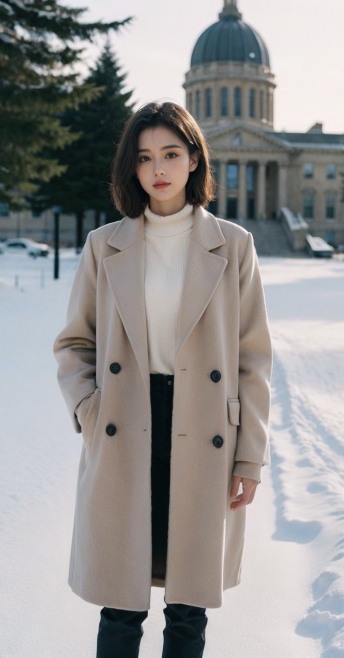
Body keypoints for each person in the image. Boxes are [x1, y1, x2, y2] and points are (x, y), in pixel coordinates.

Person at [53, 101, 272, 658]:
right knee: (121, 605)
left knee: (187, 606)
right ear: (132, 166)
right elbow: (74, 343)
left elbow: (252, 360)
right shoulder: (107, 246)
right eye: (145, 156)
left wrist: (249, 458)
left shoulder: (235, 245)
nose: (159, 169)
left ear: (195, 159)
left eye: (171, 154)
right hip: (125, 423)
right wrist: (88, 408)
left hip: (202, 430)